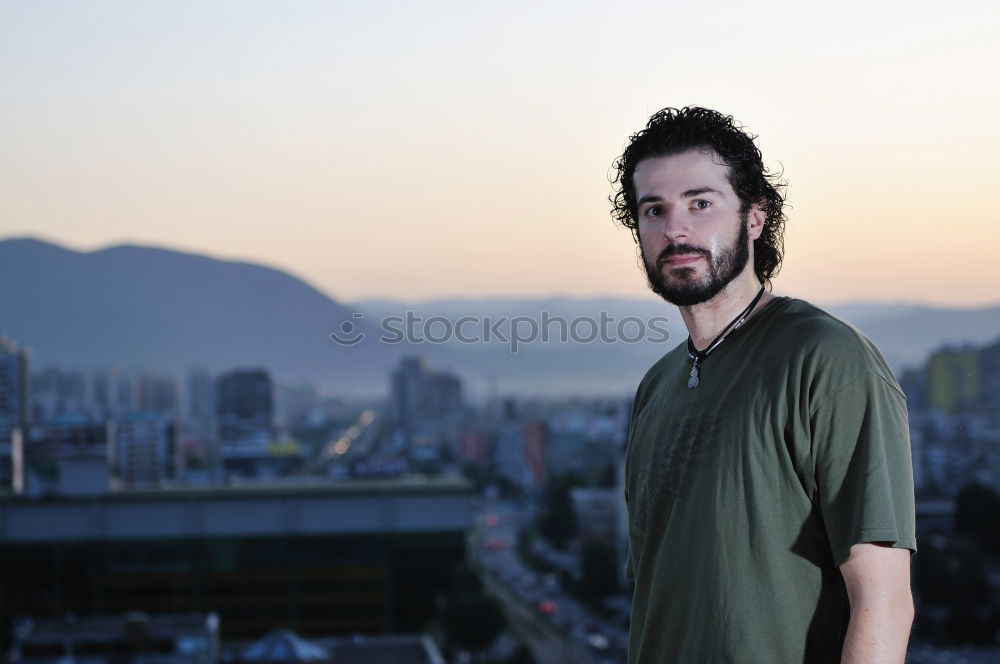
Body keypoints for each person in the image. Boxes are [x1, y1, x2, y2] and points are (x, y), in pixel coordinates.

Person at [611, 107, 916, 663]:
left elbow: (885, 601)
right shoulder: (656, 388)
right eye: (654, 210)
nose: (675, 228)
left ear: (755, 217)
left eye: (701, 204)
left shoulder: (826, 358)